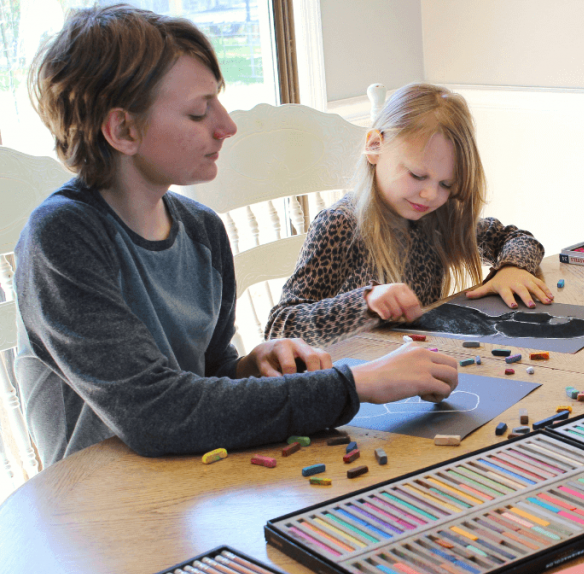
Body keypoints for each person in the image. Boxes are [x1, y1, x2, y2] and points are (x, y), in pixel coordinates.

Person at [14, 4, 458, 467]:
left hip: (190, 481)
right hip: (92, 507)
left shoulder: (202, 230)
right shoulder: (63, 236)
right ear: (123, 129)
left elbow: (210, 376)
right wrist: (357, 383)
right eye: (199, 111)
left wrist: (253, 365)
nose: (226, 126)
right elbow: (159, 413)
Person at [265, 83, 553, 348]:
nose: (430, 195)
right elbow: (280, 328)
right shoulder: (340, 224)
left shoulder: (437, 218)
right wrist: (363, 303)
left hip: (415, 365)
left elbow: (516, 239)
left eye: (446, 184)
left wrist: (512, 268)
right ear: (375, 147)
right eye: (417, 175)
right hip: (354, 379)